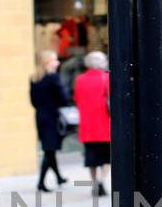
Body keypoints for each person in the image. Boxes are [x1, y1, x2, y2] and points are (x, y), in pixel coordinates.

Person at [30, 51, 69, 192]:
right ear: (47, 62)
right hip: (52, 116)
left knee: (49, 150)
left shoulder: (34, 78)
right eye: (54, 60)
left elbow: (33, 101)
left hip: (41, 116)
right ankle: (41, 183)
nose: (57, 62)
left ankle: (58, 177)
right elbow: (64, 98)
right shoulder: (53, 77)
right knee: (49, 150)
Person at [73, 49, 111, 197]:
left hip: (87, 124)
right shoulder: (105, 78)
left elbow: (76, 99)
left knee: (91, 156)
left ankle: (94, 181)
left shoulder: (79, 79)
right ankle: (102, 180)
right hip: (104, 123)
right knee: (106, 156)